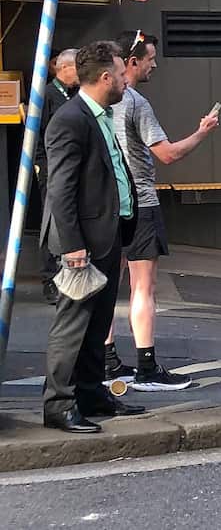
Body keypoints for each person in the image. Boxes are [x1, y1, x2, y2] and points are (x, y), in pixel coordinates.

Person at [41, 41, 146, 433]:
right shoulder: (71, 119)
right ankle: (59, 404)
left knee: (96, 322)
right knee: (73, 324)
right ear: (105, 78)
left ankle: (89, 392)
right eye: (120, 74)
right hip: (81, 243)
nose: (125, 80)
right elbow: (61, 189)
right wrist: (73, 247)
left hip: (107, 234)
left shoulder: (99, 114)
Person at [104, 31, 219, 390]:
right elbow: (168, 154)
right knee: (143, 288)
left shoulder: (94, 102)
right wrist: (202, 132)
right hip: (140, 203)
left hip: (105, 204)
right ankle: (146, 367)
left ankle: (107, 362)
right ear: (133, 61)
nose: (155, 64)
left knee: (108, 285)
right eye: (151, 58)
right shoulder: (136, 103)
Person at [35, 47, 81, 304]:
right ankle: (49, 279)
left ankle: (67, 276)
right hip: (51, 167)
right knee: (51, 221)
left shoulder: (74, 95)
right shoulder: (47, 95)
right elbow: (40, 134)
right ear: (64, 68)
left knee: (67, 220)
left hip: (70, 166)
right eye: (77, 67)